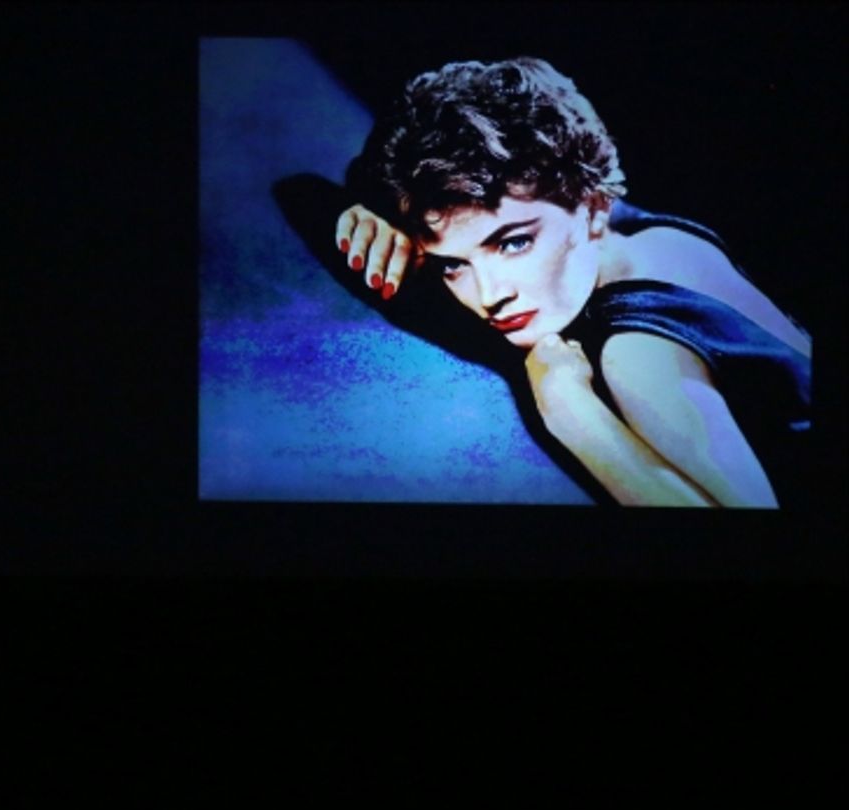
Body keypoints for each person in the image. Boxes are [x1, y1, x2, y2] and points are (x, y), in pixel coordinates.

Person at [335, 57, 811, 507]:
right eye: (452, 265)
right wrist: (384, 210)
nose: (490, 295)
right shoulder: (646, 235)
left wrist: (574, 415)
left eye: (513, 244)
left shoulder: (638, 357)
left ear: (593, 204)